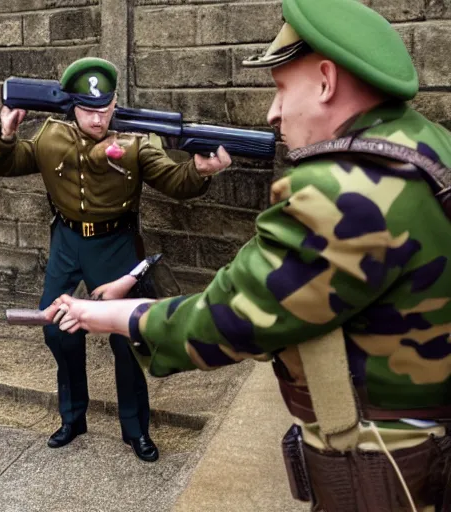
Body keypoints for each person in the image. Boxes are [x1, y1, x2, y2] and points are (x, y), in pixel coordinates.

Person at [43, 0, 451, 509]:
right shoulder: (430, 146)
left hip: (384, 461)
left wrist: (110, 315)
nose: (273, 112)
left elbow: (229, 320)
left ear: (325, 81)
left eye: (282, 89)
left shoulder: (339, 190)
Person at [0, 56, 231, 460]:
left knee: (126, 338)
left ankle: (135, 430)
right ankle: (72, 417)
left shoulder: (137, 141)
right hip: (67, 241)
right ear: (70, 106)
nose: (97, 119)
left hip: (115, 243)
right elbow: (0, 165)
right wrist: (7, 133)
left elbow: (174, 180)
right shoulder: (50, 136)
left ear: (115, 103)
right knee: (57, 329)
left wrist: (201, 171)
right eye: (87, 110)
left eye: (104, 108)